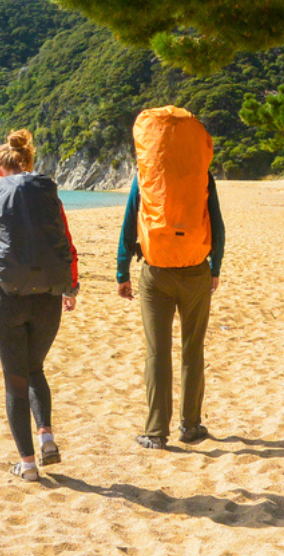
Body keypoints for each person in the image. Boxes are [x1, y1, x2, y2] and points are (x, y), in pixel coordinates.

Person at [0, 129, 79, 482]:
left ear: (0, 170)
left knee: (14, 380)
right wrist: (70, 288)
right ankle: (46, 435)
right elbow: (67, 245)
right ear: (30, 166)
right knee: (36, 369)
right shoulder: (49, 198)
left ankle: (28, 465)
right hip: (47, 298)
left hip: (7, 301)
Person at [116, 106, 225, 450]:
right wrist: (216, 267)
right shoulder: (201, 174)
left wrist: (122, 271)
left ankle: (155, 433)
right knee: (192, 351)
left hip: (156, 270)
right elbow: (217, 224)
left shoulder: (147, 174)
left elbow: (130, 221)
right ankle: (190, 426)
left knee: (157, 353)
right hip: (195, 270)